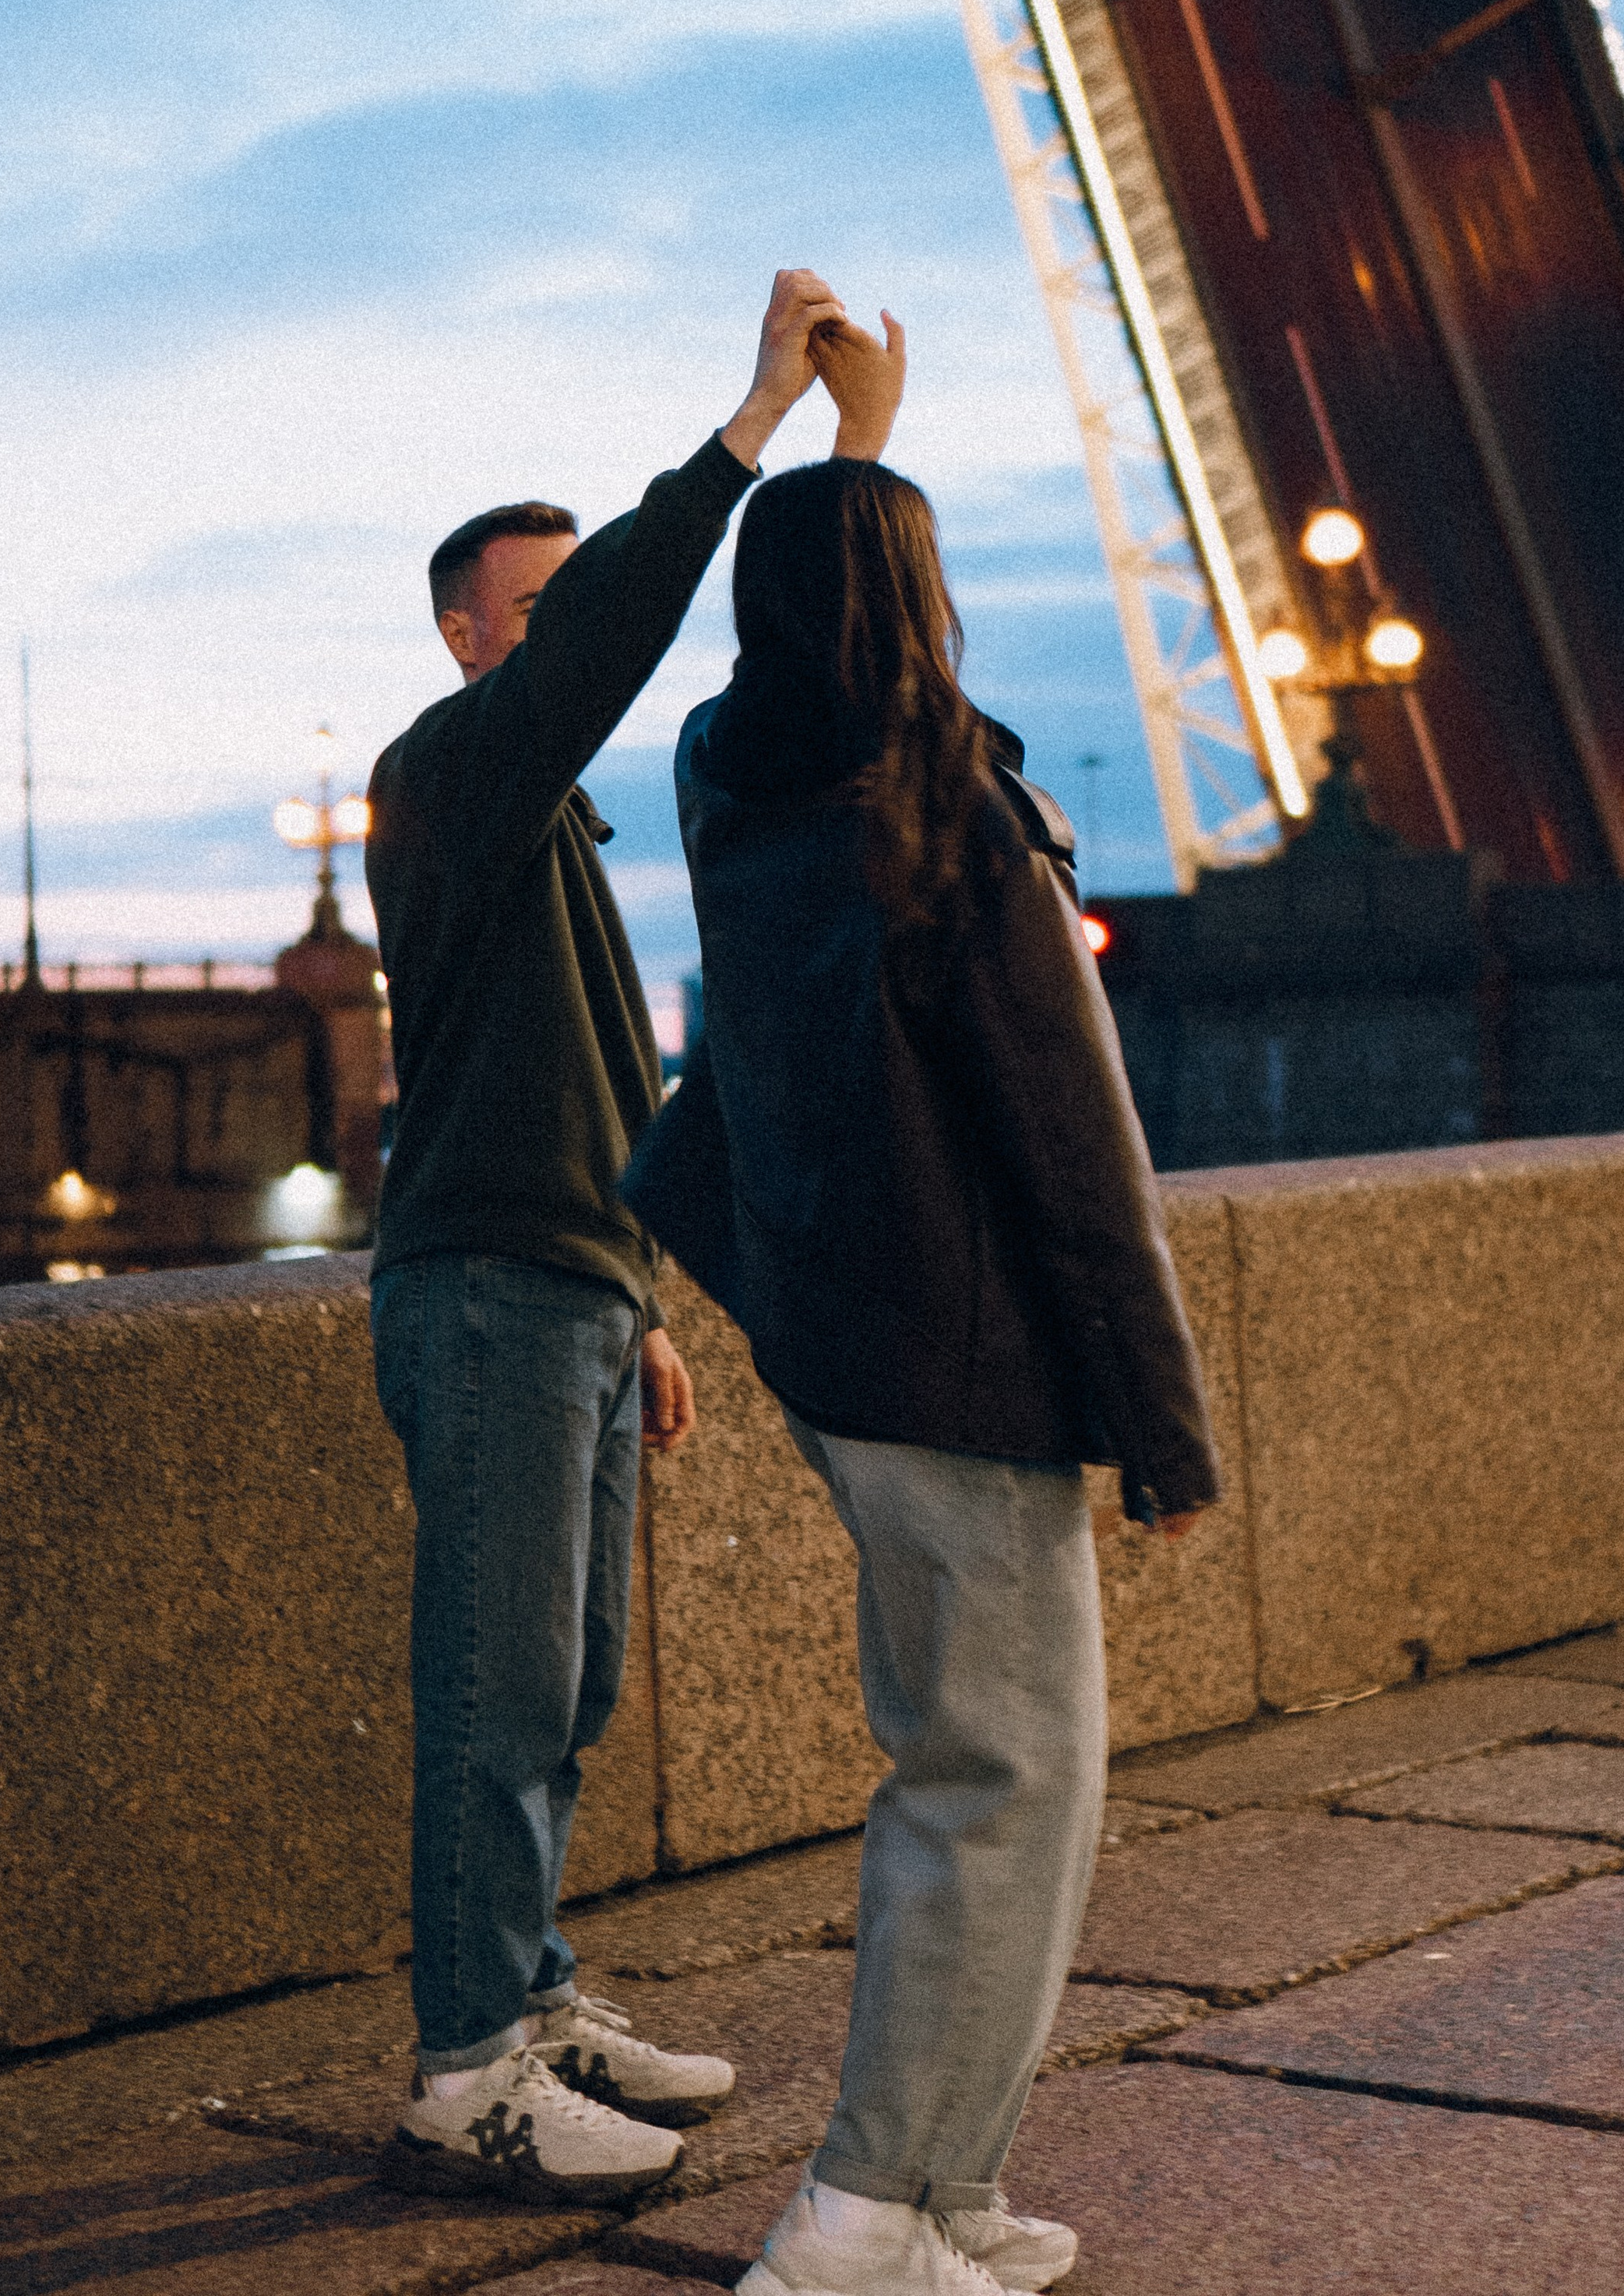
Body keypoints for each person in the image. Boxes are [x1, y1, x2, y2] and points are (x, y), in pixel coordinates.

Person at [646, 456, 1220, 2294]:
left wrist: (848, 443)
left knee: (986, 1766)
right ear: (919, 597)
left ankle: (949, 2193)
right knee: (996, 1781)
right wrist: (1164, 1434)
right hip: (961, 1369)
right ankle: (862, 2213)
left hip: (837, 1344)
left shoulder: (731, 787)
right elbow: (1074, 1151)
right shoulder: (953, 821)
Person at [365, 273, 907, 2208]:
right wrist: (758, 429)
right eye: (537, 608)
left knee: (569, 1686)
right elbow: (608, 636)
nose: (569, 632)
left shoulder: (563, 837)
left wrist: (644, 1297)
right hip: (487, 1291)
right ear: (467, 636)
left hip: (576, 1295)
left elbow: (596, 1090)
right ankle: (464, 2074)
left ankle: (533, 1999)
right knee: (497, 1691)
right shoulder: (449, 776)